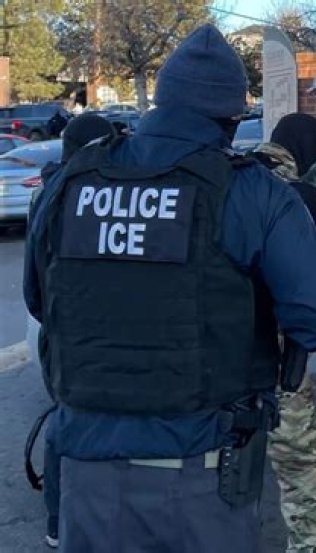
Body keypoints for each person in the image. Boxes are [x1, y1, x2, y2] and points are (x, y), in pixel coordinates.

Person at [23, 23, 316, 553]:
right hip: (199, 471)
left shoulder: (70, 183)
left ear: (161, 101)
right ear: (231, 117)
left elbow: (40, 301)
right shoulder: (250, 190)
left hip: (86, 469)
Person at [251, 112, 316, 552]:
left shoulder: (230, 180)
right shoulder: (299, 198)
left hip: (216, 354)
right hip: (279, 358)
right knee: (303, 471)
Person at [25, 113, 118, 550]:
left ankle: (59, 521)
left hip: (60, 329)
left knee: (67, 419)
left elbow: (33, 283)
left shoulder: (48, 191)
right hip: (84, 328)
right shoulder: (92, 192)